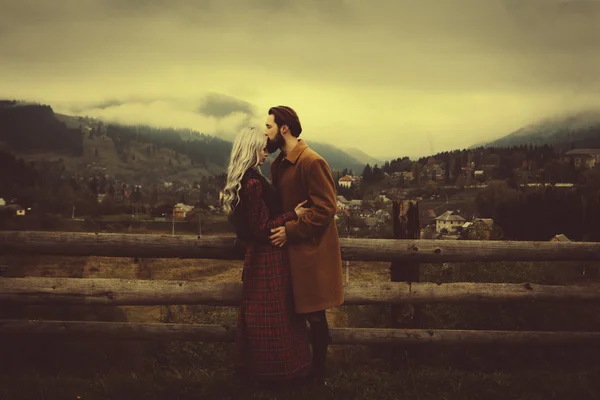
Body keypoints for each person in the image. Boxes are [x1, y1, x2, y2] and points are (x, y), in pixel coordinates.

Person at [222, 126, 312, 384]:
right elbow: (262, 229)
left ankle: (264, 371)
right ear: (251, 150)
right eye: (261, 149)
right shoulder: (251, 183)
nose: (266, 153)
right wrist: (293, 215)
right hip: (266, 257)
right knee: (274, 317)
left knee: (265, 316)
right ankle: (278, 374)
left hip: (260, 257)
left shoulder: (246, 179)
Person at [265, 106, 344, 385]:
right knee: (291, 314)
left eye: (270, 127)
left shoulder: (312, 161)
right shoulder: (277, 164)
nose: (267, 132)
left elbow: (325, 209)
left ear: (284, 129)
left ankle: (318, 374)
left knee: (314, 314)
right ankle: (296, 368)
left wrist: (290, 231)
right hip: (289, 251)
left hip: (311, 251)